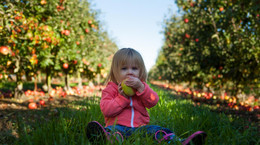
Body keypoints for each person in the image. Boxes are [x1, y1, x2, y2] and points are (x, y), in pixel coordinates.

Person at [86, 48, 207, 144]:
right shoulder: (111, 89)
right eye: (124, 68)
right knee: (112, 132)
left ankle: (178, 142)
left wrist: (141, 88)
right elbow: (107, 110)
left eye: (134, 68)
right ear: (115, 71)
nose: (130, 72)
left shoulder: (142, 87)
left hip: (141, 129)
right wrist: (122, 98)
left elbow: (153, 102)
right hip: (118, 127)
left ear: (140, 71)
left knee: (158, 130)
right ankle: (106, 138)